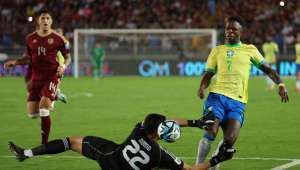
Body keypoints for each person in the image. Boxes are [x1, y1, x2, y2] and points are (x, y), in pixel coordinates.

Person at [195, 16, 289, 170]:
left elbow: (268, 69)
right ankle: (198, 165)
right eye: (227, 28)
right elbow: (208, 74)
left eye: (233, 28)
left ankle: (215, 159)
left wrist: (280, 83)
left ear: (241, 32)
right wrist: (201, 88)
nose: (230, 31)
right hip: (216, 97)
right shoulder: (217, 50)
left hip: (237, 101)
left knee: (230, 140)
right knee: (211, 129)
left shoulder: (250, 49)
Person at [8, 113, 236, 170]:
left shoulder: (138, 129)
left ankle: (26, 153)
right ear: (160, 133)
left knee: (69, 141)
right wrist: (217, 159)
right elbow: (191, 169)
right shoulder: (161, 154)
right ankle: (26, 154)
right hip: (124, 165)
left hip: (109, 156)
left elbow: (163, 121)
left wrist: (194, 122)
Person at [4, 9, 71, 144]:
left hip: (52, 76)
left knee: (43, 110)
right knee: (32, 115)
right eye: (43, 18)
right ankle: (56, 96)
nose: (45, 20)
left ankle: (44, 144)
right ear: (38, 21)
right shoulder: (30, 38)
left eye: (48, 18)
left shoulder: (59, 39)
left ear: (51, 21)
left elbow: (68, 57)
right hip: (36, 78)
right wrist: (16, 62)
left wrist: (63, 67)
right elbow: (28, 58)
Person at [49, 28, 69, 111]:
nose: (58, 34)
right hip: (51, 66)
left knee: (54, 85)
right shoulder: (52, 41)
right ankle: (58, 94)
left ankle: (51, 105)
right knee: (51, 85)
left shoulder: (65, 42)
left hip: (59, 67)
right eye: (57, 32)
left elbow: (66, 55)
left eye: (59, 32)